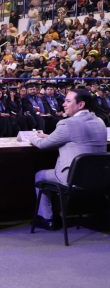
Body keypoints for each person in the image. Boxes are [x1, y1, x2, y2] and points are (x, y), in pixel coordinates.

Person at [30, 89, 108, 230]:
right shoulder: (100, 122)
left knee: (40, 175)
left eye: (68, 101)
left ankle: (47, 219)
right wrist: (50, 136)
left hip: (72, 178)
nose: (63, 104)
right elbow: (78, 139)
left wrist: (33, 138)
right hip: (98, 178)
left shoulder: (67, 124)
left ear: (81, 104)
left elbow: (42, 145)